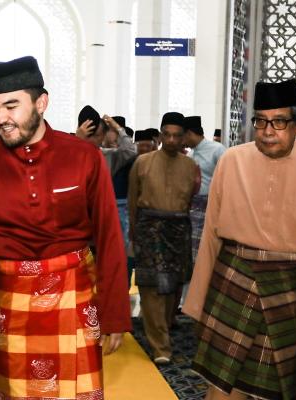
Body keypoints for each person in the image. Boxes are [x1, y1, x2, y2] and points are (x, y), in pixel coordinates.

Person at [0, 56, 131, 399]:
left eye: (11, 106)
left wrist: (115, 312)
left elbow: (109, 237)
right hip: (12, 299)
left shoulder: (83, 157)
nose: (1, 119)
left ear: (41, 103)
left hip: (75, 296)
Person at [183, 79, 296, 400]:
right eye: (261, 121)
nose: (267, 131)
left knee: (276, 390)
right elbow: (210, 236)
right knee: (221, 389)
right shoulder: (231, 160)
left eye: (279, 122)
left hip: (290, 292)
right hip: (232, 282)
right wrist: (197, 303)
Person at [128, 111, 199, 365]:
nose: (171, 140)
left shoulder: (190, 166)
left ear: (183, 138)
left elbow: (189, 201)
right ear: (160, 135)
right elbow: (133, 199)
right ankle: (161, 346)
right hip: (149, 230)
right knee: (151, 287)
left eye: (176, 136)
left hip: (178, 230)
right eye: (166, 135)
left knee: (171, 286)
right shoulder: (143, 162)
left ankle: (164, 328)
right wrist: (134, 231)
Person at [183, 116, 226, 264]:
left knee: (207, 250)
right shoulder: (190, 154)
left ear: (189, 133)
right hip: (193, 207)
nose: (182, 141)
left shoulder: (217, 149)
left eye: (182, 136)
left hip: (211, 206)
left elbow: (227, 180)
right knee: (193, 251)